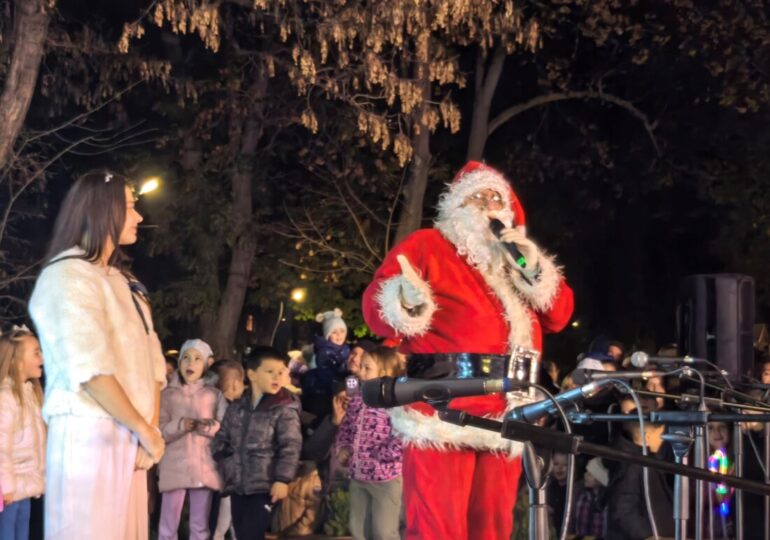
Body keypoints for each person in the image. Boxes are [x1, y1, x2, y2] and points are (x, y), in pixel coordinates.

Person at [362, 161, 574, 540]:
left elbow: (559, 315)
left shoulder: (516, 261)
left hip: (507, 409)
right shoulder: (428, 244)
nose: (489, 204)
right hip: (442, 409)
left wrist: (534, 269)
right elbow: (377, 315)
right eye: (478, 197)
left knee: (492, 527)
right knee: (437, 528)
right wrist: (405, 300)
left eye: (497, 198)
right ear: (455, 207)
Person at [28, 171, 166, 540]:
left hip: (132, 435)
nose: (138, 217)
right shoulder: (68, 276)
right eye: (131, 206)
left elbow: (154, 364)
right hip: (88, 433)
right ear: (102, 209)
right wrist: (143, 428)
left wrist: (147, 429)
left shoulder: (124, 283)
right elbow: (87, 369)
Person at [213, 346, 302, 540]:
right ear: (252, 374)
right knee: (240, 530)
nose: (276, 377)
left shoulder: (284, 409)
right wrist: (227, 462)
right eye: (270, 372)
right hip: (238, 485)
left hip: (264, 486)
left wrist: (282, 479)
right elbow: (221, 439)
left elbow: (291, 446)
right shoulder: (236, 408)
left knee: (251, 534)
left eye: (280, 372)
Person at [157, 339, 226, 540]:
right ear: (178, 363)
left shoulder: (215, 395)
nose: (190, 364)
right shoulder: (167, 395)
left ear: (207, 363)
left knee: (200, 524)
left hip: (204, 466)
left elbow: (225, 427)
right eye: (185, 358)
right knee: (168, 523)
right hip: (173, 466)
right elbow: (159, 429)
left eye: (197, 359)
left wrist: (207, 426)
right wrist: (179, 426)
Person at [335, 346, 404, 540]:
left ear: (386, 373)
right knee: (358, 530)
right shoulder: (357, 398)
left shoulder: (396, 403)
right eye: (361, 367)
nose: (361, 372)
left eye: (368, 368)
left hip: (386, 478)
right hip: (358, 476)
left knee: (384, 531)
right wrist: (343, 448)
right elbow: (347, 427)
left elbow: (402, 436)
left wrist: (381, 455)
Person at [0, 325, 46, 540]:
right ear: (17, 361)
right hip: (7, 492)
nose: (42, 357)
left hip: (25, 486)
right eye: (36, 352)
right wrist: (6, 486)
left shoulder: (30, 395)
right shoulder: (6, 398)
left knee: (22, 534)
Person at [210, 359, 245, 540]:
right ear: (235, 384)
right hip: (228, 475)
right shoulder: (232, 410)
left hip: (215, 473)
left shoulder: (209, 404)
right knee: (222, 525)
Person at [571, 457, 609, 538]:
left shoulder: (607, 501)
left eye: (590, 474)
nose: (585, 475)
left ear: (599, 479)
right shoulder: (582, 496)